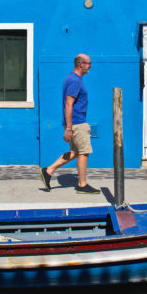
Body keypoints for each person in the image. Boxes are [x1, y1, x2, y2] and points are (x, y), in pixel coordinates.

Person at [39, 54, 100, 194]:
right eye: (88, 63)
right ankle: (82, 185)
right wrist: (69, 128)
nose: (90, 66)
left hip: (76, 123)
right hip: (76, 123)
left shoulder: (72, 79)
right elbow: (69, 104)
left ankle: (48, 171)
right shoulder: (75, 81)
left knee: (76, 152)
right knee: (84, 152)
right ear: (80, 64)